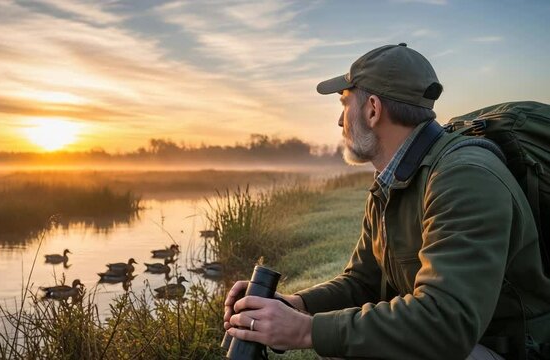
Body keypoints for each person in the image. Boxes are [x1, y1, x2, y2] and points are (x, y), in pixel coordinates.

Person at [223, 43, 550, 359]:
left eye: (344, 103)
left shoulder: (464, 177)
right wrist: (295, 306)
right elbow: (363, 281)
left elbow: (447, 324)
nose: (340, 121)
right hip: (468, 342)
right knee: (349, 339)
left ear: (373, 109)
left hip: (510, 349)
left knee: (358, 344)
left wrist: (306, 331)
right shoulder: (394, 179)